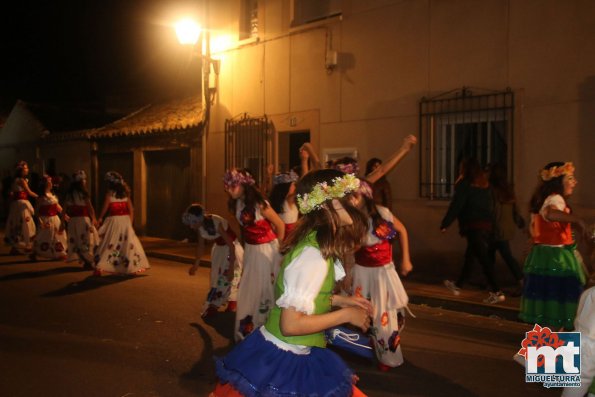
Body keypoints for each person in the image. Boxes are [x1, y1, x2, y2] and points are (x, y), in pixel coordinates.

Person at [211, 169, 372, 397]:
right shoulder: (313, 254)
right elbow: (291, 325)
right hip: (283, 357)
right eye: (347, 195)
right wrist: (346, 316)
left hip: (290, 352)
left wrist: (342, 300)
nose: (355, 200)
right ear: (327, 205)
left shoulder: (315, 243)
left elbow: (303, 296)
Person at [348, 179, 412, 371]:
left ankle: (388, 355)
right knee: (365, 312)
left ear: (364, 196)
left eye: (354, 196)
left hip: (382, 273)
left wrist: (406, 259)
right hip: (362, 272)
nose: (351, 200)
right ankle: (371, 346)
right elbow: (352, 248)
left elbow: (402, 230)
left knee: (384, 314)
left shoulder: (383, 212)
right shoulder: (353, 219)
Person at [519, 162, 586, 330]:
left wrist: (534, 242)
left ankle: (546, 347)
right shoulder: (555, 198)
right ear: (558, 181)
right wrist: (577, 220)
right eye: (570, 178)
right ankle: (555, 348)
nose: (574, 182)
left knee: (548, 302)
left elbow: (535, 228)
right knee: (560, 301)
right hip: (555, 257)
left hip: (544, 255)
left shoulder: (543, 198)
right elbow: (551, 213)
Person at [224, 168, 285, 341]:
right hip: (251, 251)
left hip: (266, 250)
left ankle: (269, 330)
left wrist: (278, 252)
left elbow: (279, 225)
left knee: (265, 288)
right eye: (227, 186)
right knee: (249, 289)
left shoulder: (260, 203)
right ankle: (251, 329)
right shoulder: (237, 204)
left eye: (232, 186)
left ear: (243, 185)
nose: (229, 189)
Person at [441, 158, 504, 304]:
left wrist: (445, 223)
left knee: (483, 259)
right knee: (470, 256)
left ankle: (497, 291)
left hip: (474, 226)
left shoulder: (465, 185)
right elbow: (492, 207)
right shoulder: (486, 186)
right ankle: (458, 285)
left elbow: (456, 205)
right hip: (486, 225)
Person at [183, 203, 244, 317]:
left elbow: (231, 245)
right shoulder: (201, 227)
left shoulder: (215, 222)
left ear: (199, 219)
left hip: (231, 249)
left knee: (229, 276)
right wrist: (196, 265)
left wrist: (231, 267)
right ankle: (227, 302)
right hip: (219, 250)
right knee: (217, 277)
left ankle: (217, 304)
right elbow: (200, 246)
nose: (192, 226)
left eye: (193, 222)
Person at [94, 171, 150, 276]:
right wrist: (130, 223)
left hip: (115, 221)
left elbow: (105, 208)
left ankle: (103, 265)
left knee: (110, 243)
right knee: (127, 244)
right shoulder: (125, 193)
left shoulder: (109, 194)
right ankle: (131, 266)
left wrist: (100, 217)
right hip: (125, 221)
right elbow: (131, 210)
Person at [488, 163, 525, 295]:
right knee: (489, 255)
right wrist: (519, 221)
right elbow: (515, 209)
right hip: (506, 226)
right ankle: (491, 283)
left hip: (496, 227)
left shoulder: (492, 189)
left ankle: (521, 281)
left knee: (505, 255)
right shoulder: (508, 189)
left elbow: (492, 209)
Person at [64, 170, 99, 269]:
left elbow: (64, 208)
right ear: (80, 181)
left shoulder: (70, 193)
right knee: (85, 240)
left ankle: (86, 260)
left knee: (80, 240)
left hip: (73, 221)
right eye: (84, 180)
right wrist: (93, 218)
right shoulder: (83, 193)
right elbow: (90, 207)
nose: (85, 181)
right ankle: (88, 260)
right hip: (82, 220)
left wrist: (93, 218)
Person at [30, 175, 68, 261]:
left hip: (55, 219)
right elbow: (36, 211)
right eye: (49, 181)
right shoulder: (41, 197)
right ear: (45, 184)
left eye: (51, 181)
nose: (51, 183)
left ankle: (59, 252)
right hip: (45, 219)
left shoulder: (52, 195)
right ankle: (38, 252)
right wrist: (40, 221)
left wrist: (65, 216)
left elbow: (58, 207)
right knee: (44, 236)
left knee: (57, 236)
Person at [4, 161, 38, 254]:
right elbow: (29, 192)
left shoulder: (14, 180)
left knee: (16, 223)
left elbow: (11, 192)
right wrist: (41, 196)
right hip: (21, 204)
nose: (28, 170)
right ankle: (26, 245)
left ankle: (17, 246)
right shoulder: (21, 181)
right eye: (26, 168)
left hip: (15, 204)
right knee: (25, 223)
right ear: (21, 170)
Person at [268, 171, 299, 240]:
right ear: (285, 187)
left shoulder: (292, 200)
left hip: (292, 240)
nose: (295, 187)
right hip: (281, 241)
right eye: (293, 184)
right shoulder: (275, 203)